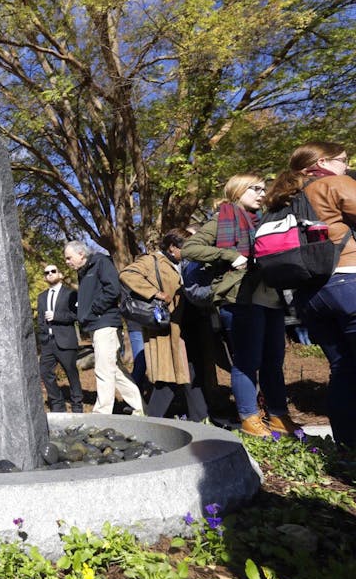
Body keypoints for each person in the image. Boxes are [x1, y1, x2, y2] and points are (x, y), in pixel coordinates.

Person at [182, 174, 297, 437]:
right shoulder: (223, 218)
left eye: (262, 188)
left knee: (273, 360)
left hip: (271, 296)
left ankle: (279, 416)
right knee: (247, 361)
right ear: (237, 192)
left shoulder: (267, 218)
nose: (261, 193)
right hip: (240, 298)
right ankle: (249, 418)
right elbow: (190, 248)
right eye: (254, 189)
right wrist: (230, 254)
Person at [270, 142, 356, 445]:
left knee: (343, 369)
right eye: (343, 160)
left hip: (308, 296)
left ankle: (346, 447)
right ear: (322, 162)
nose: (346, 165)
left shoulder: (284, 197)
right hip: (348, 280)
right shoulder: (332, 183)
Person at [119, 230, 209, 422]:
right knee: (169, 375)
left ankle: (200, 418)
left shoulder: (180, 262)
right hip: (166, 327)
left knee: (188, 371)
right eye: (185, 248)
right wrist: (154, 293)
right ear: (172, 247)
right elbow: (127, 274)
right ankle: (154, 421)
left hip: (186, 323)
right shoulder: (152, 260)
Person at [63, 241, 144, 415]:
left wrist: (94, 310)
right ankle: (140, 408)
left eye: (69, 257)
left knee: (103, 369)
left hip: (105, 324)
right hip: (95, 326)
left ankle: (102, 414)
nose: (67, 261)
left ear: (81, 254)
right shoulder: (83, 272)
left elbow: (113, 290)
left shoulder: (100, 262)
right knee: (115, 370)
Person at [35, 264, 84, 413]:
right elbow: (40, 320)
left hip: (65, 341)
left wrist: (57, 317)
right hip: (47, 342)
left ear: (60, 274)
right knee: (45, 372)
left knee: (71, 373)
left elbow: (76, 315)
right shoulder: (41, 297)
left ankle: (77, 406)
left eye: (53, 271)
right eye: (47, 272)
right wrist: (43, 334)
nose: (50, 274)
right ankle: (57, 405)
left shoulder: (70, 294)